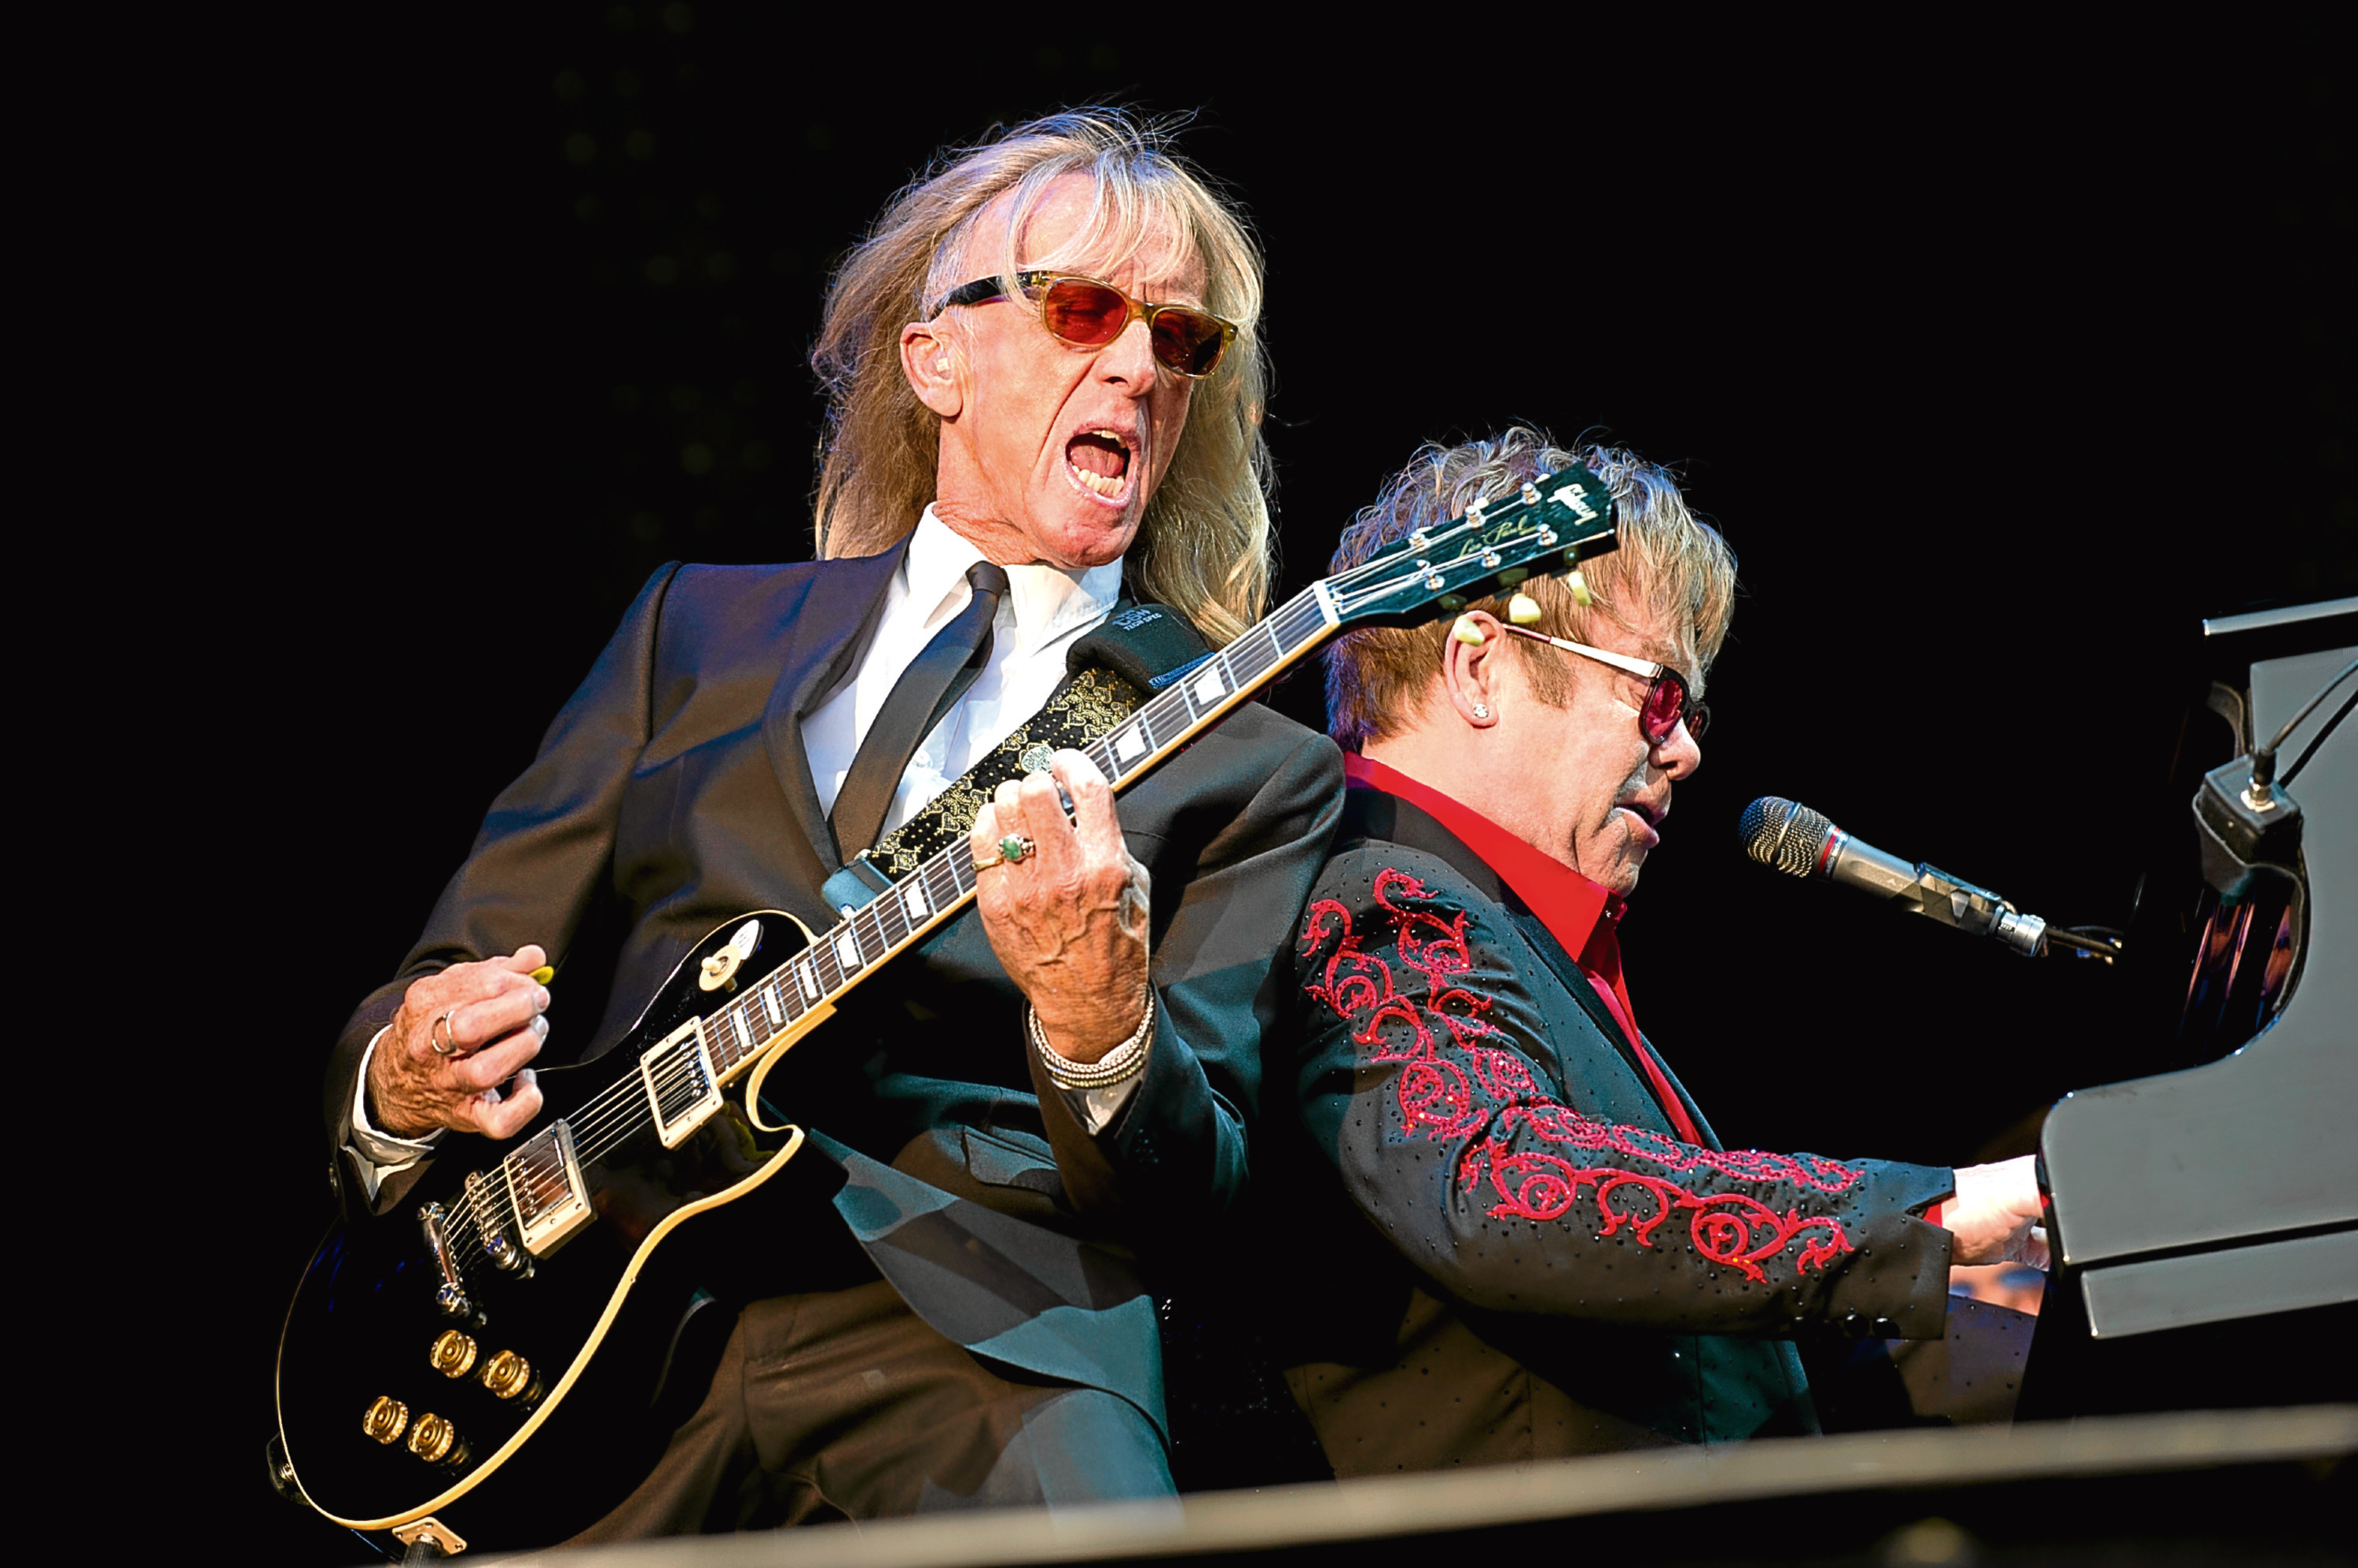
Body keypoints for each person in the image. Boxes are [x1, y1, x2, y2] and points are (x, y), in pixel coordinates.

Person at [323, 111, 1343, 1535]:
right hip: (606, 1334)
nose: (1137, 364)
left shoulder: (1243, 758)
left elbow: (1208, 1191)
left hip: (996, 1341)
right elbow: (459, 970)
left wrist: (1101, 1029)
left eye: (1183, 340)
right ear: (937, 357)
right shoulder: (700, 628)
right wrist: (400, 1082)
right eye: (1086, 310)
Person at [1267, 429, 2046, 1471]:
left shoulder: (1503, 930)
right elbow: (1503, 1188)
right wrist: (1934, 1214)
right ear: (1478, 667)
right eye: (1659, 694)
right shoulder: (1384, 900)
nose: (1683, 749)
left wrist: (1962, 1306)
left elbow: (1689, 1359)